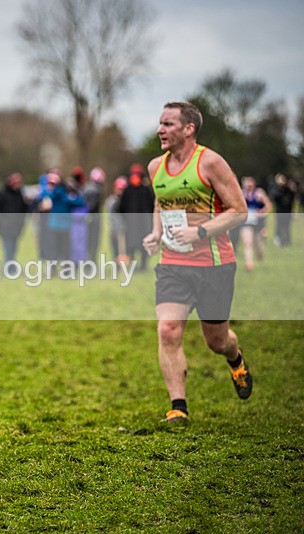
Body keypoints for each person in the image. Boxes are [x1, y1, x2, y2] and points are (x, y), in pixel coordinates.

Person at [142, 102, 252, 423]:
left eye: (168, 124)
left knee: (216, 340)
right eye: (160, 123)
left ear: (189, 129)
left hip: (214, 265)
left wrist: (199, 231)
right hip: (173, 264)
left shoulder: (211, 162)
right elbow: (161, 203)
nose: (160, 130)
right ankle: (179, 407)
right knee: (168, 330)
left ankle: (235, 357)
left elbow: (239, 210)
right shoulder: (155, 168)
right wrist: (155, 233)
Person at [119, 163, 155, 271]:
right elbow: (122, 207)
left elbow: (153, 206)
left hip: (144, 224)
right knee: (131, 246)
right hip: (131, 224)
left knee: (144, 245)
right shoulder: (127, 191)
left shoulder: (146, 190)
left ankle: (143, 265)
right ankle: (134, 265)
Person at [0, 172, 29, 275]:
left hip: (17, 228)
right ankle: (9, 270)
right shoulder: (2, 193)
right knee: (8, 249)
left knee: (13, 249)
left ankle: (11, 268)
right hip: (5, 228)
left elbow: (24, 210)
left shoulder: (20, 194)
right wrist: (3, 220)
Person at [238, 176, 271, 272]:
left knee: (258, 244)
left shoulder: (259, 193)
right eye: (247, 185)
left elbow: (268, 205)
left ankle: (260, 254)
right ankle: (249, 263)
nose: (249, 186)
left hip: (258, 223)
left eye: (251, 185)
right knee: (247, 243)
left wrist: (261, 212)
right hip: (246, 223)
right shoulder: (241, 193)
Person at [82, 166, 105, 260]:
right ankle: (91, 262)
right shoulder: (96, 190)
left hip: (88, 219)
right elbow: (92, 206)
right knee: (93, 242)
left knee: (88, 242)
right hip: (93, 220)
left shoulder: (86, 187)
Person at [104, 176, 128, 261]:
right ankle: (116, 266)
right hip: (114, 229)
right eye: (119, 189)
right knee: (115, 250)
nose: (120, 191)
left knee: (123, 250)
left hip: (124, 230)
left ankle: (124, 268)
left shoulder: (126, 201)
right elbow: (109, 216)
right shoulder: (110, 201)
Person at [270, 173, 296, 248]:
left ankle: (287, 241)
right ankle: (278, 239)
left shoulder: (288, 191)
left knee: (287, 227)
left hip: (287, 212)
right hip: (279, 212)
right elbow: (275, 198)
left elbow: (292, 199)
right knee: (279, 225)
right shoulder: (276, 190)